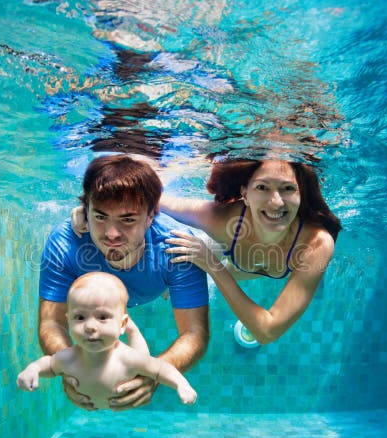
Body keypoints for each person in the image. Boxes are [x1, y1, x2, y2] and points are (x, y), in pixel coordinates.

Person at [38, 154, 209, 411]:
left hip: (159, 282)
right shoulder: (65, 243)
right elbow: (51, 322)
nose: (112, 234)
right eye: (100, 217)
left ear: (151, 216)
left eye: (128, 220)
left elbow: (195, 332)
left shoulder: (177, 246)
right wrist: (70, 370)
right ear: (86, 211)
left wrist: (153, 375)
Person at [161, 156, 341, 345]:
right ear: (245, 195)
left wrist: (213, 267)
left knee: (316, 282)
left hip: (252, 265)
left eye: (288, 188)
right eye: (262, 187)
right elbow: (162, 203)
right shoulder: (223, 218)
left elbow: (267, 332)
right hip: (234, 251)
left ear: (301, 194)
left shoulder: (316, 243)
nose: (276, 202)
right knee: (200, 253)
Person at [18, 272, 197, 408]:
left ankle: (131, 329)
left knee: (142, 357)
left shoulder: (128, 359)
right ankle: (120, 323)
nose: (89, 326)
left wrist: (181, 384)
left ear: (121, 325)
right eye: (79, 317)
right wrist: (33, 370)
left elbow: (160, 369)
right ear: (68, 320)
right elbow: (49, 365)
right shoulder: (68, 357)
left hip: (131, 360)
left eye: (102, 316)